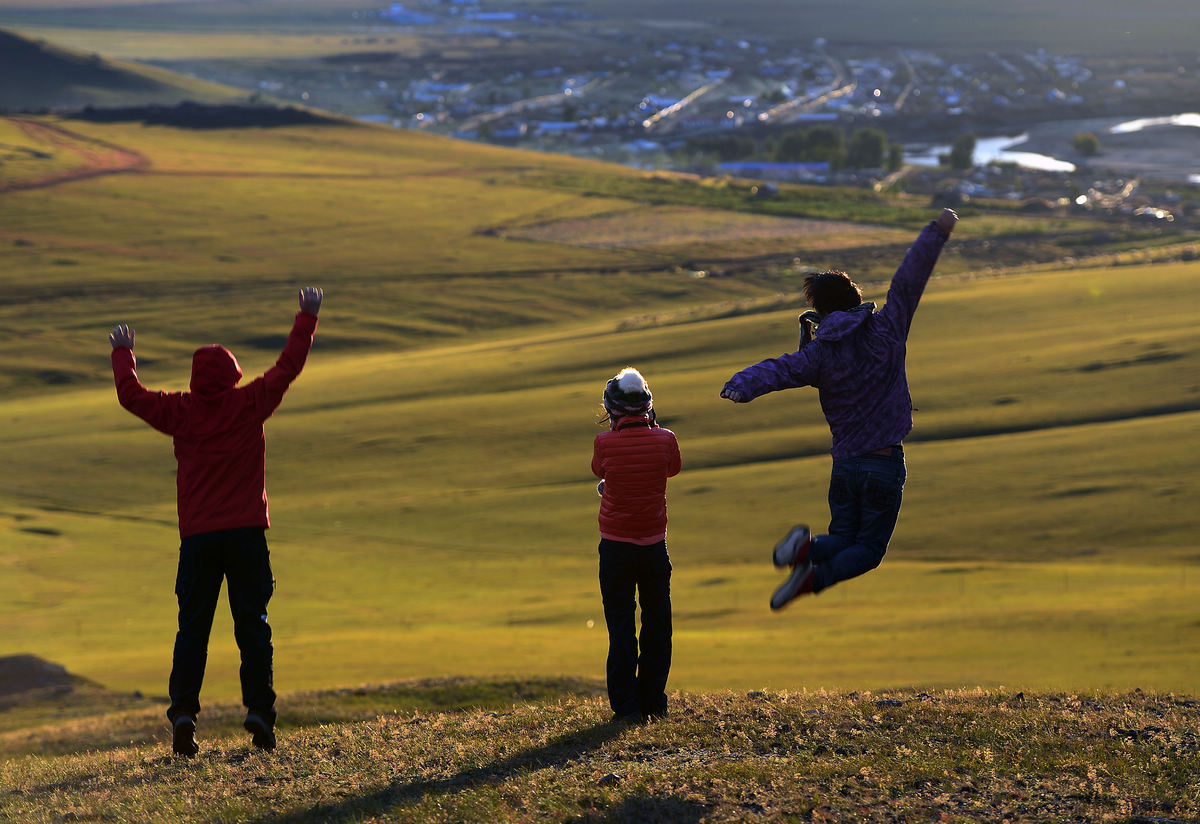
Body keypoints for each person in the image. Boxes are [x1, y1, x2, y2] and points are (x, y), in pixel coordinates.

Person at [108, 287, 323, 756]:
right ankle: (259, 713)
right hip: (246, 535)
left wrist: (123, 353)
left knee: (193, 630)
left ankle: (184, 713)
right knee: (254, 626)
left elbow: (131, 396)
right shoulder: (250, 404)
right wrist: (306, 317)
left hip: (199, 542)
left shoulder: (180, 412)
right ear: (233, 376)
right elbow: (288, 368)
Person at [720, 209, 958, 610]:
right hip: (883, 462)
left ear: (822, 312)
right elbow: (908, 280)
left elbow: (780, 369)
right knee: (868, 551)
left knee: (846, 539)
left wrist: (741, 384)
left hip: (845, 466)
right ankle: (811, 573)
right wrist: (937, 232)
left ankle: (804, 551)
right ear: (857, 300)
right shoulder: (888, 328)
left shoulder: (817, 354)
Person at [591, 367, 681, 723]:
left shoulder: (604, 443)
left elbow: (601, 471)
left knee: (621, 626)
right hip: (654, 547)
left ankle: (625, 706)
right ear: (648, 405)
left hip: (615, 548)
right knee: (658, 623)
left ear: (611, 408)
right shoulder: (666, 439)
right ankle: (653, 701)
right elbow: (671, 469)